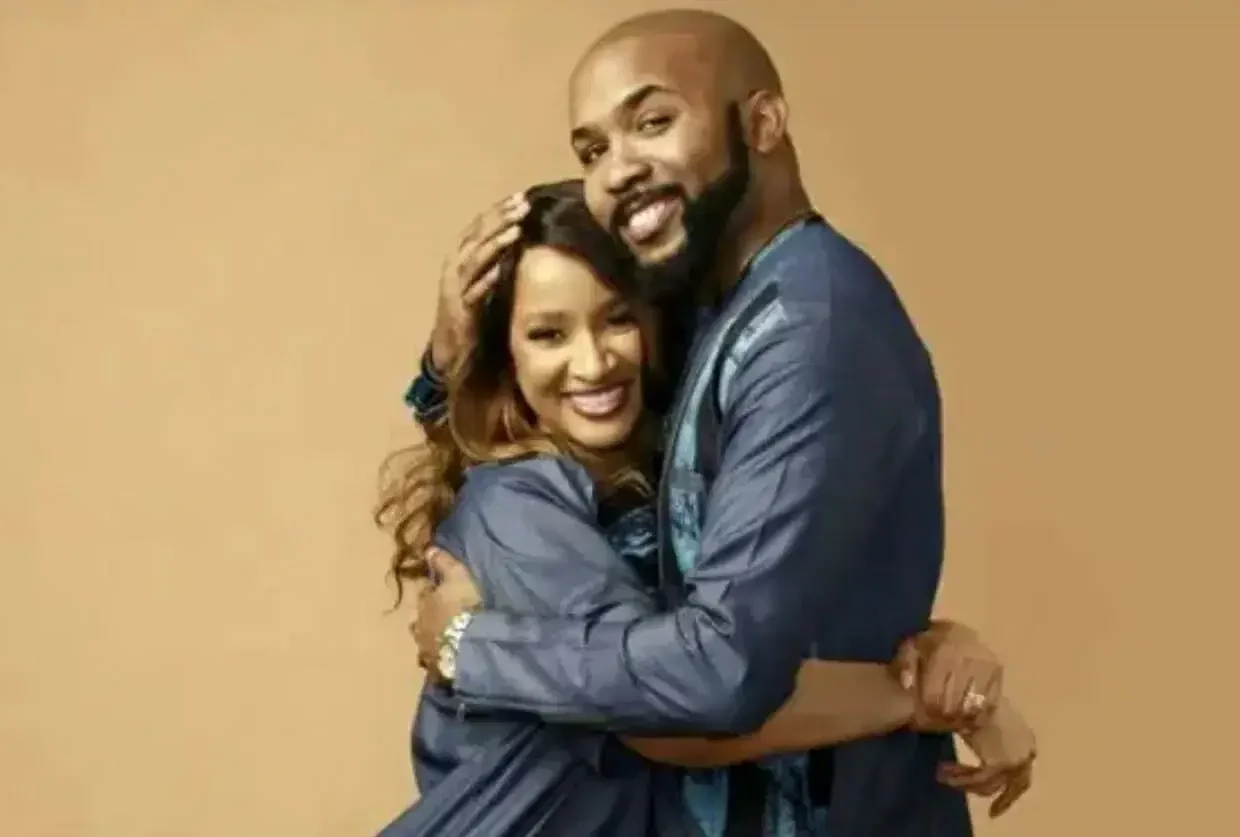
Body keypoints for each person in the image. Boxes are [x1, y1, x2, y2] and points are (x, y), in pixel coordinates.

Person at [376, 181, 1033, 837]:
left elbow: (752, 627)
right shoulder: (514, 506)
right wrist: (921, 699)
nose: (593, 362)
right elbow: (681, 710)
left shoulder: (674, 472)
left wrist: (937, 647)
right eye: (548, 334)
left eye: (618, 318)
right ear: (506, 359)